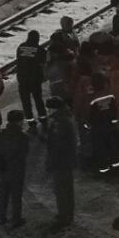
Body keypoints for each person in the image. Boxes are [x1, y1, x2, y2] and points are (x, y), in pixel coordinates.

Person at [0, 110, 30, 227]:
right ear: (19, 121)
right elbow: (24, 153)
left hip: (2, 169)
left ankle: (1, 217)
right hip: (16, 170)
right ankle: (16, 218)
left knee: (3, 195)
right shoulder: (22, 136)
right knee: (16, 196)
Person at [45, 96, 77, 230]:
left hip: (61, 162)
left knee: (61, 191)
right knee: (67, 189)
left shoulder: (60, 122)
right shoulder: (65, 118)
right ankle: (67, 214)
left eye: (49, 108)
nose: (48, 111)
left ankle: (64, 216)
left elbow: (56, 145)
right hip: (66, 161)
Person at [15, 29, 48, 132]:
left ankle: (30, 121)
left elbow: (19, 61)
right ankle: (43, 118)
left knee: (26, 101)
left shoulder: (21, 47)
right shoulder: (40, 50)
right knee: (38, 100)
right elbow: (43, 64)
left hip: (22, 79)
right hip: (35, 79)